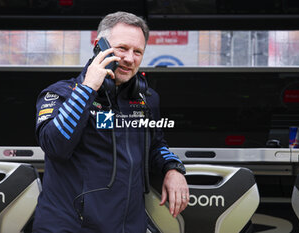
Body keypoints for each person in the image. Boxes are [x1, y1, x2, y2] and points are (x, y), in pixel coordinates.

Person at [32, 11, 189, 233]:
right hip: (68, 227)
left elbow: (156, 146)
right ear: (99, 45)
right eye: (122, 48)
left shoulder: (147, 99)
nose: (129, 58)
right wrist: (87, 90)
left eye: (138, 52)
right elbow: (55, 145)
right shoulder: (60, 94)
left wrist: (173, 169)